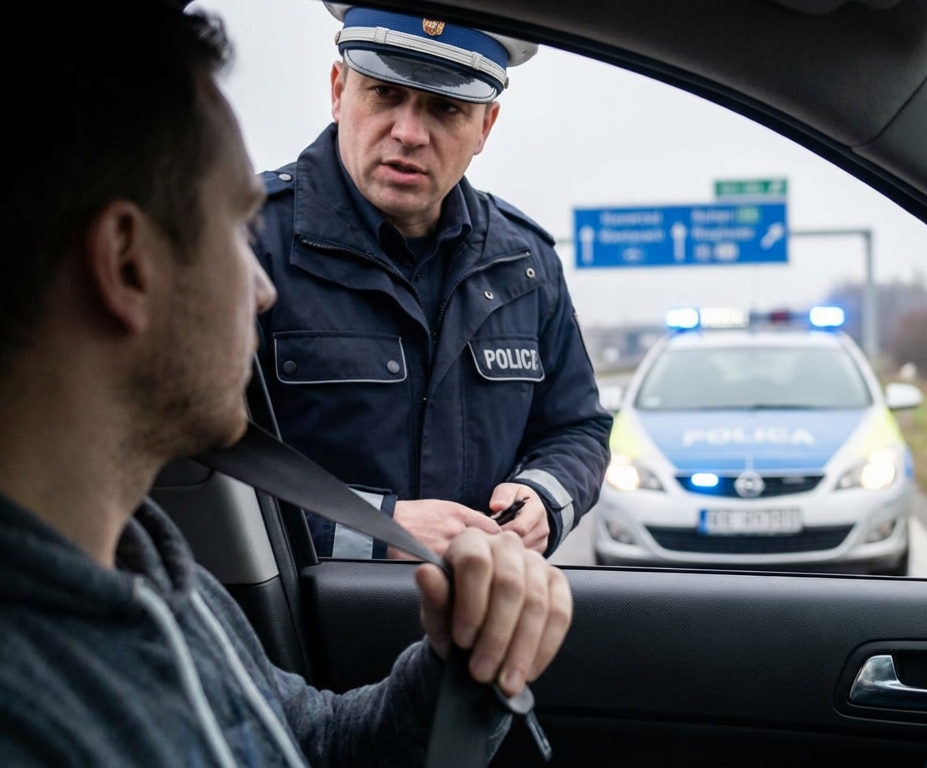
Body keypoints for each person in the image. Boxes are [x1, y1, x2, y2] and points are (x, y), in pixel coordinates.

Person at [0, 4, 570, 765]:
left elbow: (308, 741)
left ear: (485, 125)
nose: (264, 289)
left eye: (443, 109)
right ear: (129, 261)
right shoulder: (35, 702)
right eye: (235, 232)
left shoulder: (158, 574)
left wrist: (457, 672)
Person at [254, 5, 611, 561]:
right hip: (299, 633)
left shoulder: (525, 263)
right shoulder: (243, 245)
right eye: (385, 95)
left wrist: (544, 499)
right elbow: (199, 475)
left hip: (478, 622)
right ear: (338, 89)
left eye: (445, 107)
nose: (409, 133)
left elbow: (578, 429)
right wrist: (381, 531)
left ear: (485, 127)